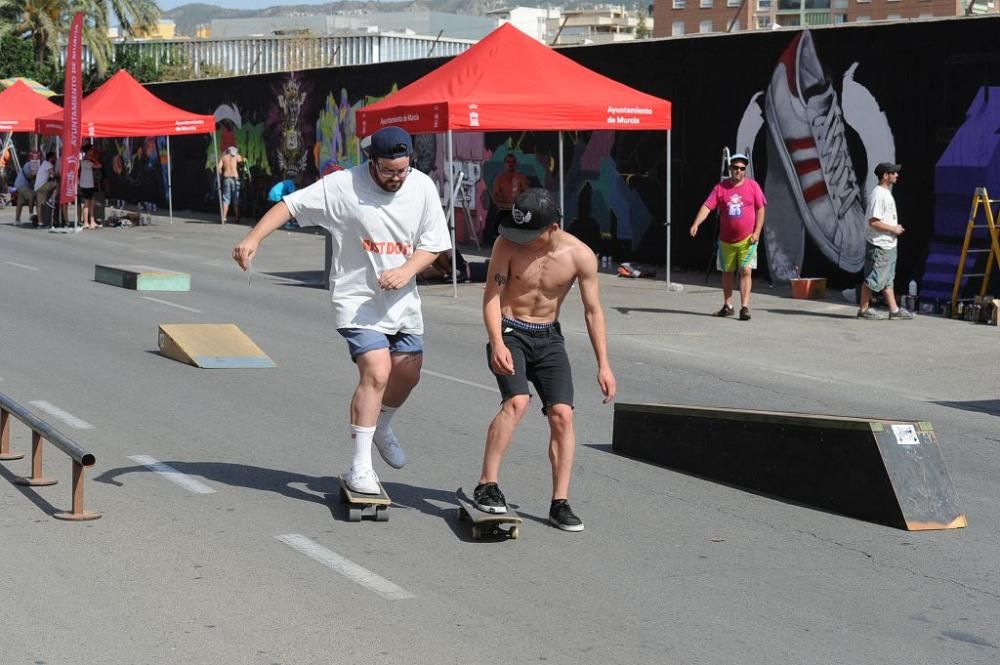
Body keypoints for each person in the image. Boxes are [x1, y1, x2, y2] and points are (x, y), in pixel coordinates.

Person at [232, 126, 451, 494]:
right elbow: (291, 205)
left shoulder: (422, 187)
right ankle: (360, 467)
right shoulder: (343, 186)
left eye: (403, 170)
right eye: (388, 171)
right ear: (372, 162)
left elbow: (433, 245)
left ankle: (383, 426)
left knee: (408, 374)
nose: (397, 178)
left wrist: (406, 271)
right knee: (377, 372)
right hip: (357, 300)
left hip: (402, 300)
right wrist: (252, 238)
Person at [473, 187, 616, 532]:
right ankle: (487, 485)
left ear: (553, 228)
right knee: (517, 402)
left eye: (531, 234)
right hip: (510, 330)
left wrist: (604, 364)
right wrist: (496, 342)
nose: (522, 241)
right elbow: (492, 296)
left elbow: (593, 311)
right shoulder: (506, 244)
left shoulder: (580, 255)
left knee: (563, 415)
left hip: (548, 336)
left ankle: (560, 503)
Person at [689, 153, 767, 321]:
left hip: (747, 240)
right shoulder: (721, 188)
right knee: (727, 272)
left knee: (746, 271)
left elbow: (761, 209)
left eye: (742, 169)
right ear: (730, 168)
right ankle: (728, 305)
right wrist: (696, 223)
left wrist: (757, 232)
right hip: (726, 241)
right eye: (735, 168)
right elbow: (707, 207)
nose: (738, 171)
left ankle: (744, 307)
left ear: (745, 171)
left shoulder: (753, 187)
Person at [857, 162, 913, 320]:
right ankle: (863, 310)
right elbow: (873, 222)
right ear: (885, 176)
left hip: (887, 244)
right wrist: (893, 229)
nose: (897, 175)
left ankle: (894, 311)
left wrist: (894, 227)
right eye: (893, 173)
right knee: (873, 279)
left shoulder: (885, 193)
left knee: (888, 280)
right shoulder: (879, 194)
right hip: (879, 245)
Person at [484, 153, 530, 245]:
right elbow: (496, 197)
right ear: (504, 164)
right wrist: (505, 204)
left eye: (513, 162)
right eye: (508, 162)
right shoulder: (499, 178)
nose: (510, 164)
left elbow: (527, 194)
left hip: (517, 210)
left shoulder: (520, 177)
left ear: (515, 164)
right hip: (504, 209)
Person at [218, 146, 245, 222]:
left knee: (226, 198)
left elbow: (219, 168)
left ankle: (224, 217)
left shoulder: (223, 157)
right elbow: (242, 166)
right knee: (236, 198)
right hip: (235, 178)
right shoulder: (237, 156)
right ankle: (237, 217)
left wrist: (220, 173)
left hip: (226, 178)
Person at [78, 144, 102, 229]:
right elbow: (99, 165)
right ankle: (85, 222)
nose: (93, 152)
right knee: (87, 203)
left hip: (89, 184)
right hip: (86, 185)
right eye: (91, 150)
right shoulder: (85, 161)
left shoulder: (88, 161)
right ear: (88, 151)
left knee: (91, 203)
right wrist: (92, 158)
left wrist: (92, 158)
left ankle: (92, 221)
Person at [14, 151, 40, 224]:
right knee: (31, 197)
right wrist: (36, 173)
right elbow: (29, 176)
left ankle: (17, 220)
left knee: (20, 202)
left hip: (20, 184)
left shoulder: (34, 164)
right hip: (22, 184)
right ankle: (31, 214)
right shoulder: (28, 165)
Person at [34, 152, 58, 227]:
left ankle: (40, 222)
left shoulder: (43, 164)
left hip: (37, 186)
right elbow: (53, 174)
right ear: (50, 158)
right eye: (54, 157)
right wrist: (59, 174)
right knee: (57, 184)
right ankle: (52, 198)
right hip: (43, 185)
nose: (55, 159)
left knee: (39, 205)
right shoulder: (48, 164)